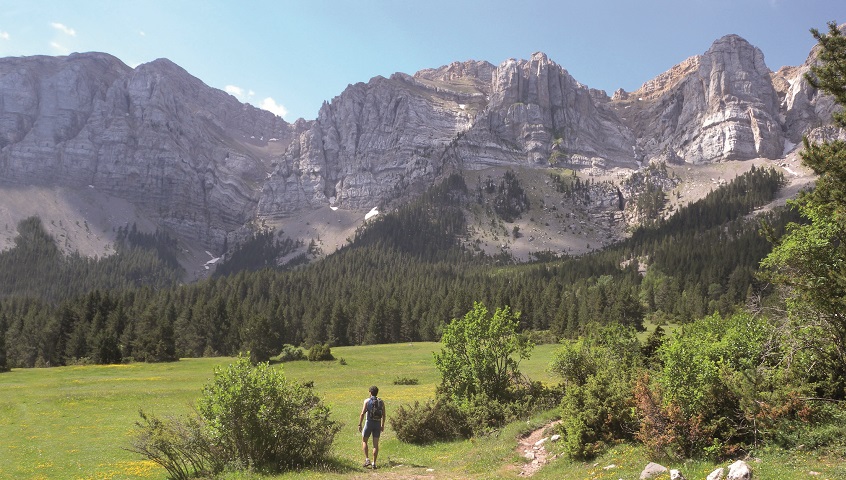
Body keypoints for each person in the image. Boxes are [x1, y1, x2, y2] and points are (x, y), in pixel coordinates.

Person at [358, 385, 385, 469]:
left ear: (370, 392)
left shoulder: (367, 401)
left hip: (369, 423)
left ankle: (367, 459)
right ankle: (374, 463)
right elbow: (384, 415)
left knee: (364, 441)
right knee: (375, 444)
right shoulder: (381, 402)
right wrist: (382, 425)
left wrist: (360, 424)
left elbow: (362, 413)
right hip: (377, 424)